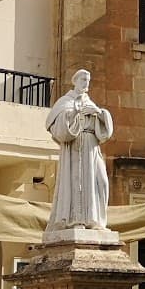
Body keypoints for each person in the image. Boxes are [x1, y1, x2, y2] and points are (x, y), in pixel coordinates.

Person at [45, 69, 112, 230]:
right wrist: (74, 112)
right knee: (77, 181)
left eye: (88, 80)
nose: (86, 83)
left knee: (101, 182)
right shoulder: (65, 101)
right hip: (75, 145)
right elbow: (54, 125)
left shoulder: (90, 102)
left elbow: (105, 131)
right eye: (83, 79)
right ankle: (77, 220)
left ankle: (95, 220)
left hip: (92, 146)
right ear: (75, 81)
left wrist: (98, 112)